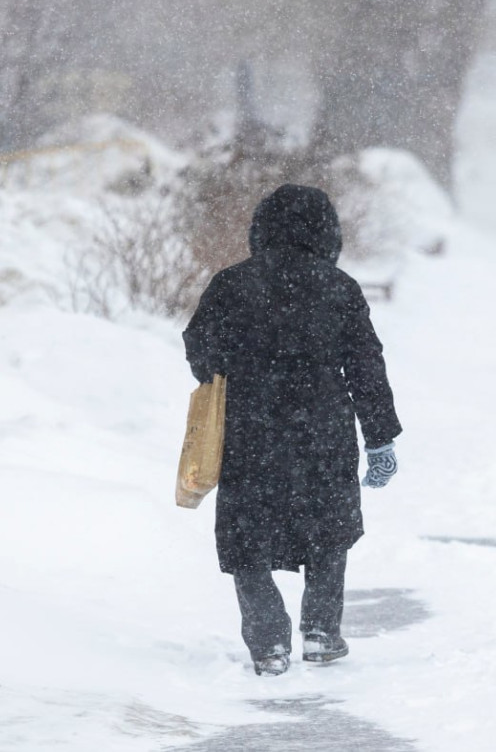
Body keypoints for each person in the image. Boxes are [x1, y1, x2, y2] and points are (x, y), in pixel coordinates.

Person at [183, 184, 402, 677]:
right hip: (323, 427)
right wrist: (380, 437)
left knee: (246, 534)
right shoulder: (339, 286)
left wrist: (231, 366)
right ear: (327, 232)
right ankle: (322, 631)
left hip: (251, 427)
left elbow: (200, 350)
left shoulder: (231, 284)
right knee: (328, 529)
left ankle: (268, 643)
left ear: (261, 228)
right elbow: (367, 365)